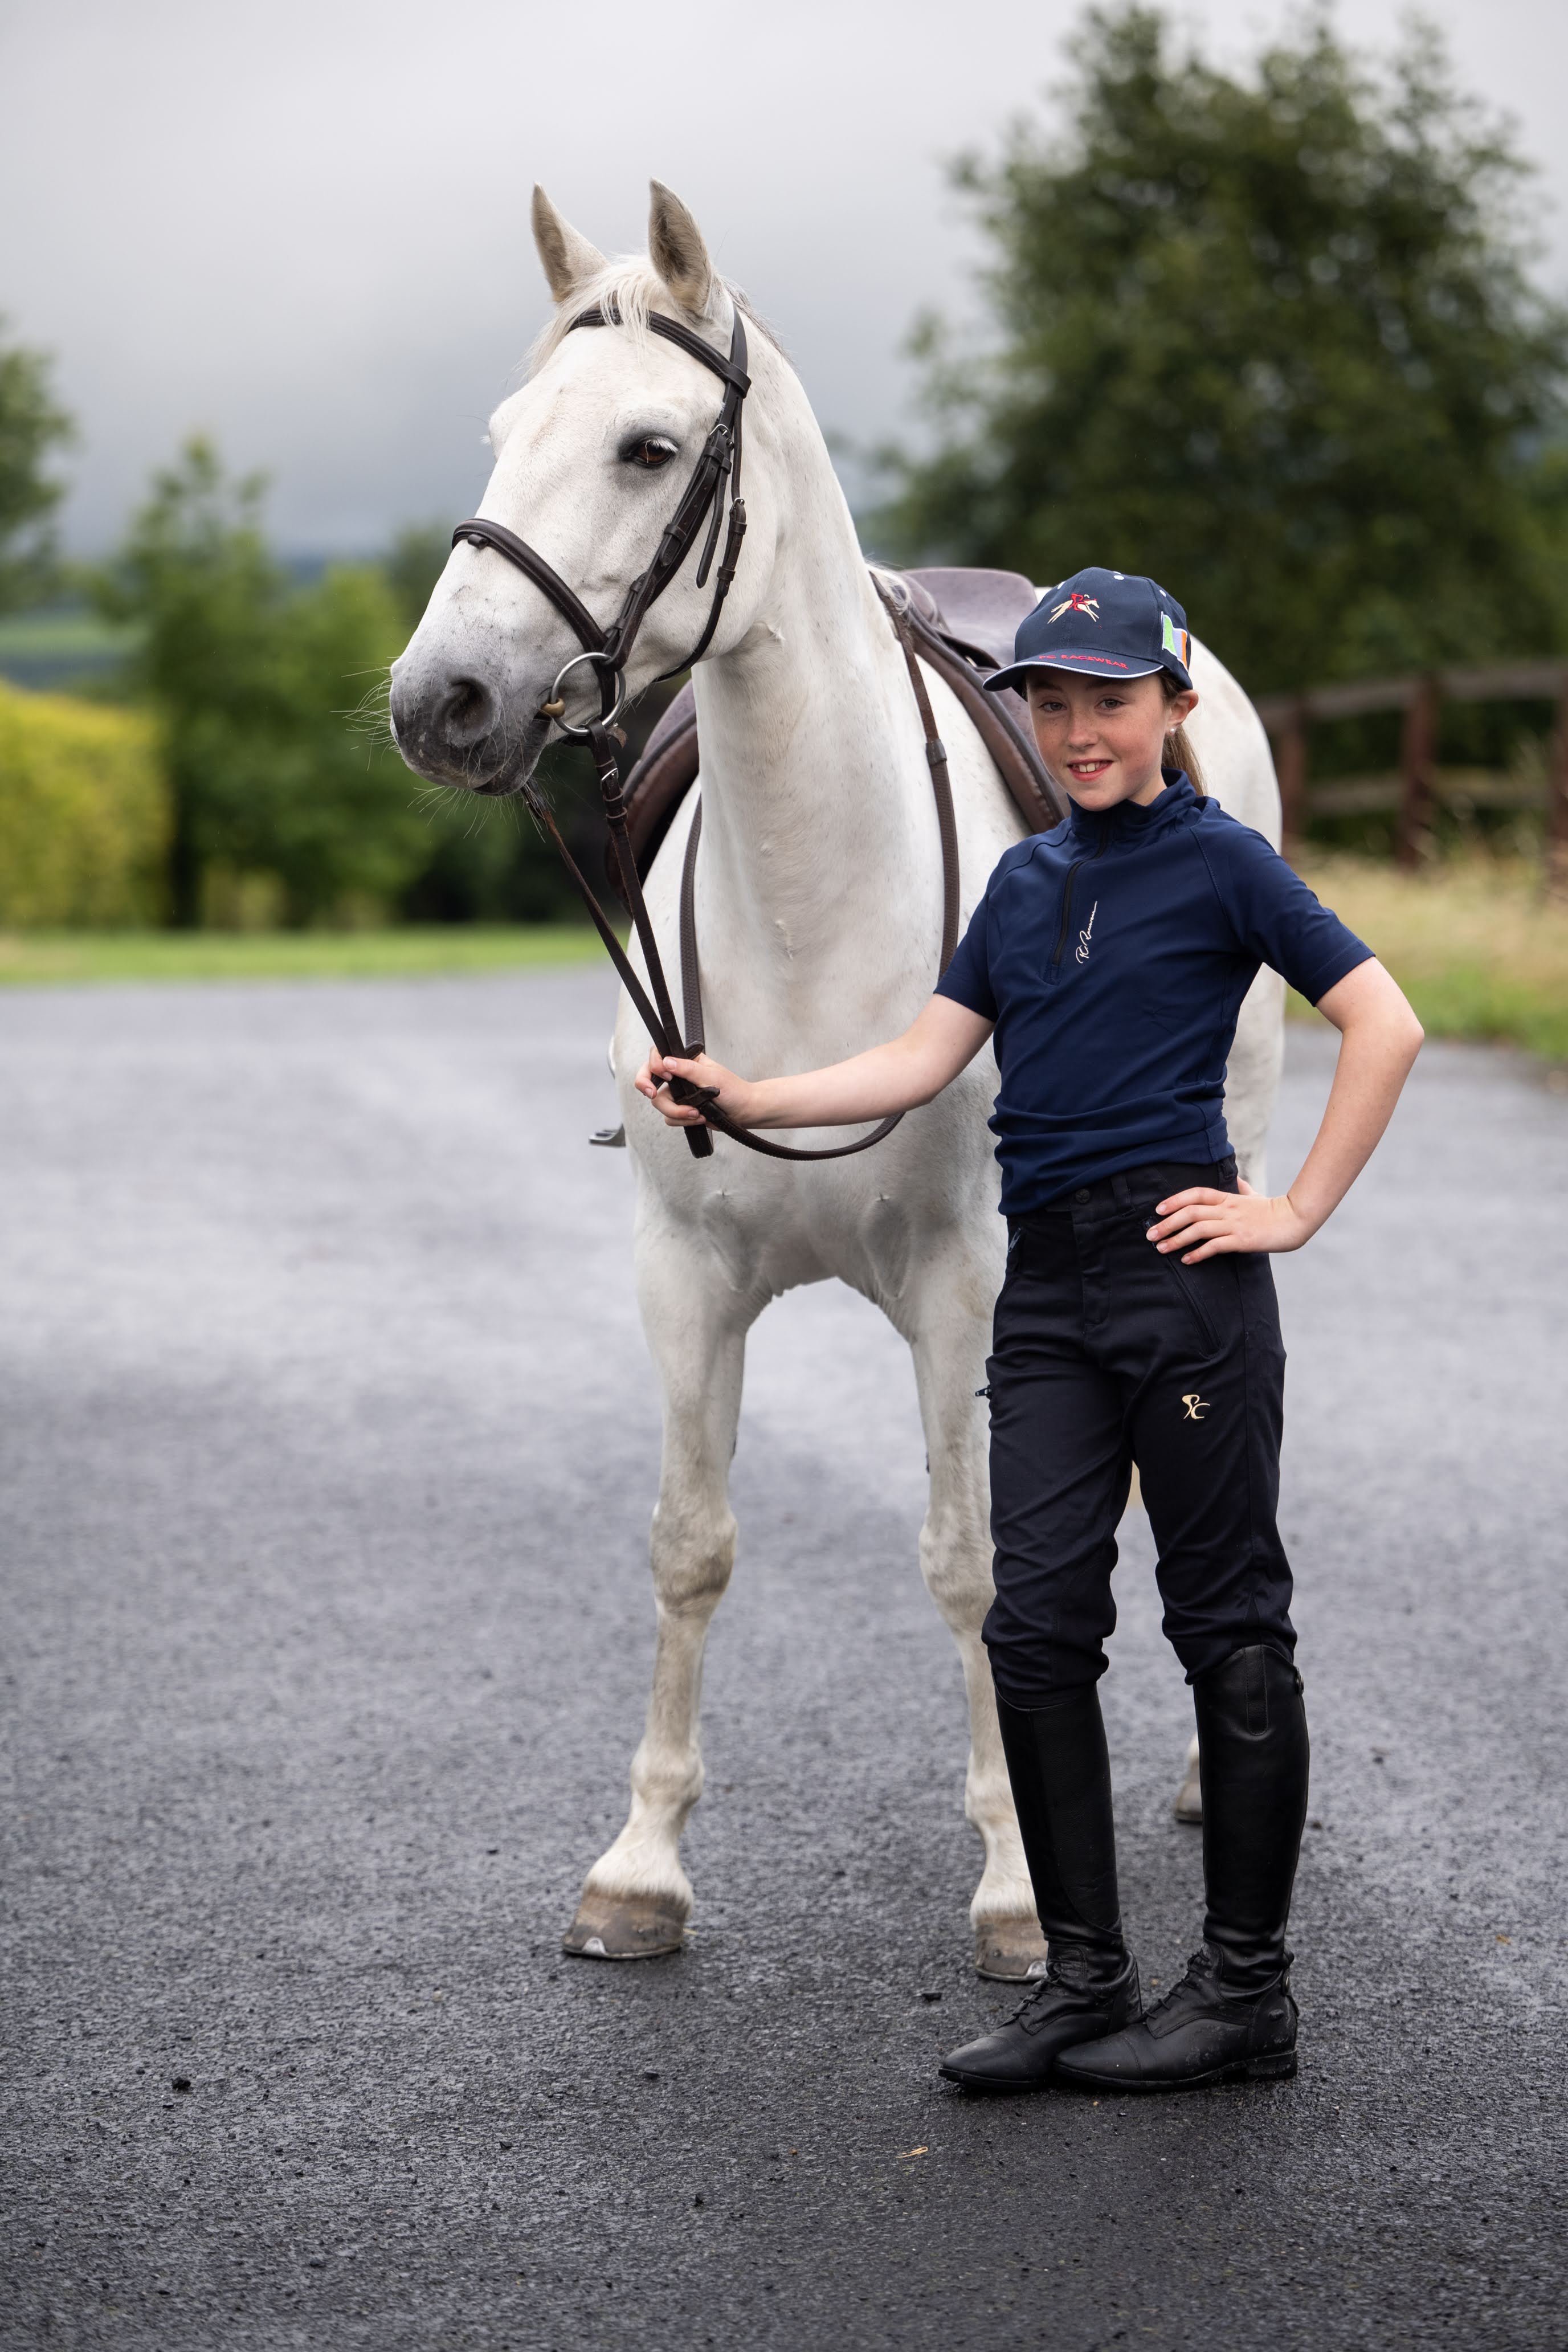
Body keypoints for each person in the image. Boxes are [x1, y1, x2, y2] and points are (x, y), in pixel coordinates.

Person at [636, 567, 1423, 2094]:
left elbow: (1382, 1022)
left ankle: (1245, 1995)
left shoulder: (1227, 865)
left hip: (1182, 1277)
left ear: (1173, 707)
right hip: (1047, 1291)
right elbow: (916, 1061)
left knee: (1228, 1628)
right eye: (1053, 704)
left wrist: (1293, 1211)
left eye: (1109, 701)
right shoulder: (1021, 886)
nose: (1077, 732)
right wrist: (746, 1091)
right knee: (1037, 1624)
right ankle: (1083, 1979)